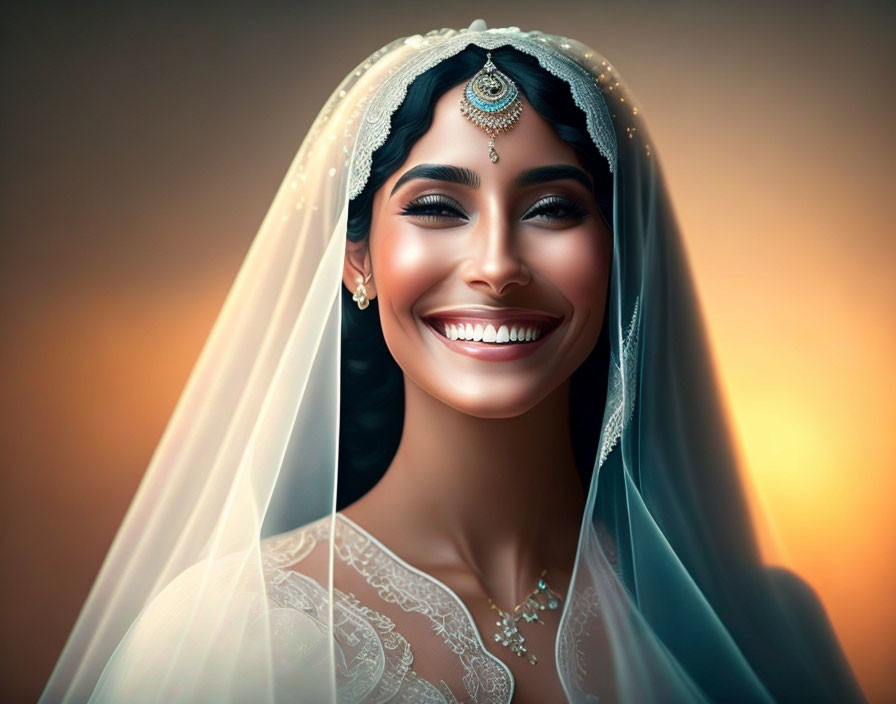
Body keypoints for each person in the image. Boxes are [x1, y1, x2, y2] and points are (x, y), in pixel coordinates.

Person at [40, 21, 864, 704]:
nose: (497, 264)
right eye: (437, 208)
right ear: (356, 258)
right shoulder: (232, 631)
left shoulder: (762, 625)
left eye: (552, 209)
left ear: (620, 255)